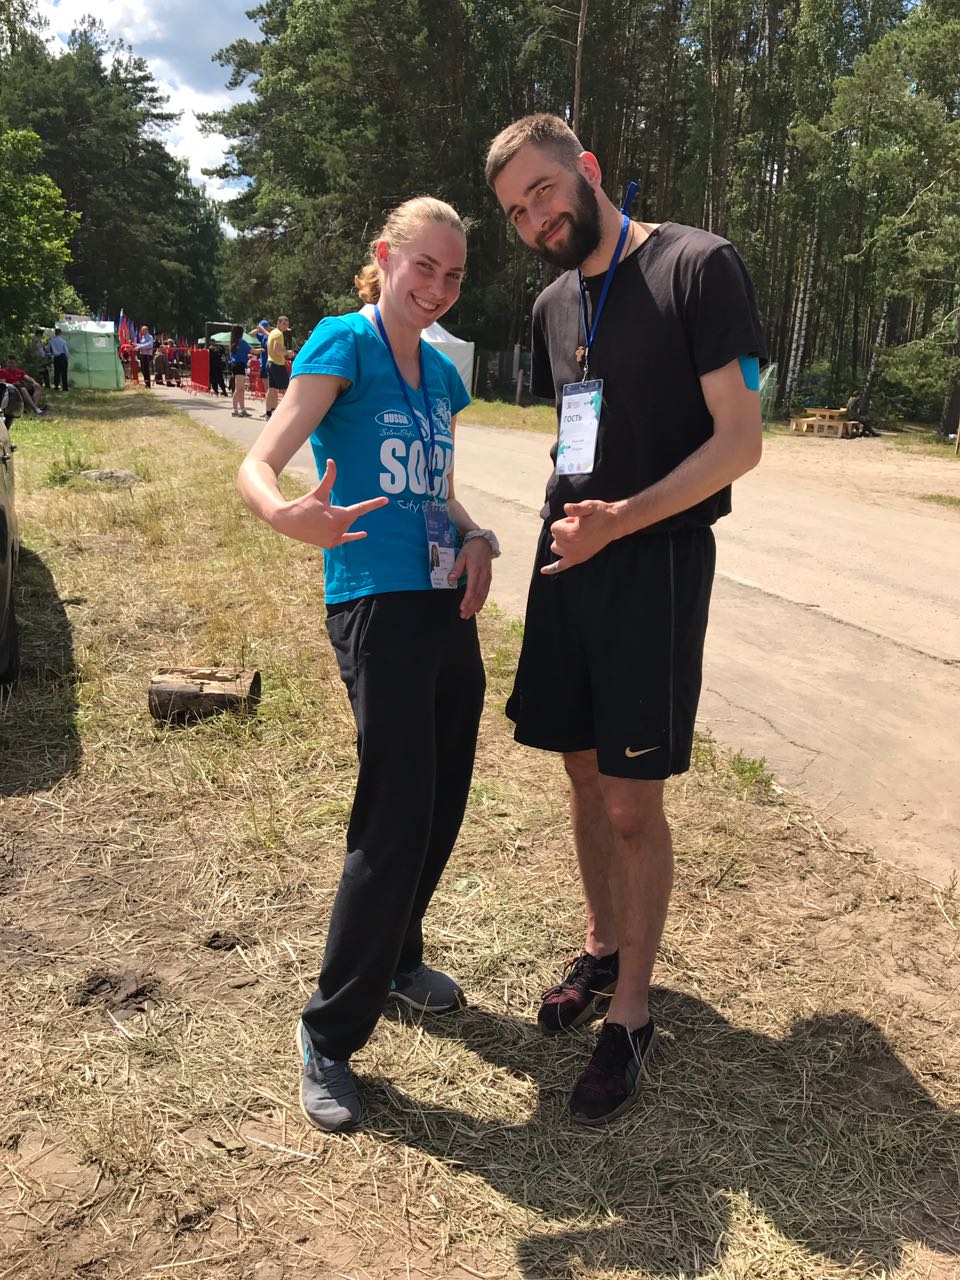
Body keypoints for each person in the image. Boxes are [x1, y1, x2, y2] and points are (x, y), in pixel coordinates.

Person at [485, 114, 765, 1126]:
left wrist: (623, 521)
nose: (536, 218)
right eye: (516, 211)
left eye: (543, 191)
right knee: (581, 770)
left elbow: (739, 442)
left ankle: (632, 1013)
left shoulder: (698, 268)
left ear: (587, 169)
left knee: (634, 804)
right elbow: (578, 430)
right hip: (572, 558)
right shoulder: (553, 302)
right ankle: (603, 946)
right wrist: (574, 525)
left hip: (654, 563)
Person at [237, 196, 498, 1134]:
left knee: (445, 796)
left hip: (444, 602)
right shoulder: (341, 343)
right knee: (394, 813)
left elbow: (440, 494)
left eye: (453, 275)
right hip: (374, 604)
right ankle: (329, 1034)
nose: (437, 287)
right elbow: (260, 460)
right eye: (423, 266)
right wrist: (285, 514)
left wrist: (478, 536)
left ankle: (397, 958)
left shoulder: (443, 376)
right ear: (385, 257)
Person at [263, 315, 291, 420]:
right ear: (278, 323)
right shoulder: (279, 334)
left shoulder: (272, 333)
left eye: (287, 324)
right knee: (286, 390)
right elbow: (278, 351)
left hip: (270, 363)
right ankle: (286, 413)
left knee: (272, 390)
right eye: (284, 324)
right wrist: (288, 352)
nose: (285, 326)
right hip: (277, 364)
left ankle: (269, 413)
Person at [229, 326, 252, 417]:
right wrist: (262, 350)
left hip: (236, 365)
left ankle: (241, 409)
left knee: (240, 389)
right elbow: (253, 350)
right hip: (239, 365)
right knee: (240, 389)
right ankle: (236, 409)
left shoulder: (234, 342)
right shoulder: (241, 342)